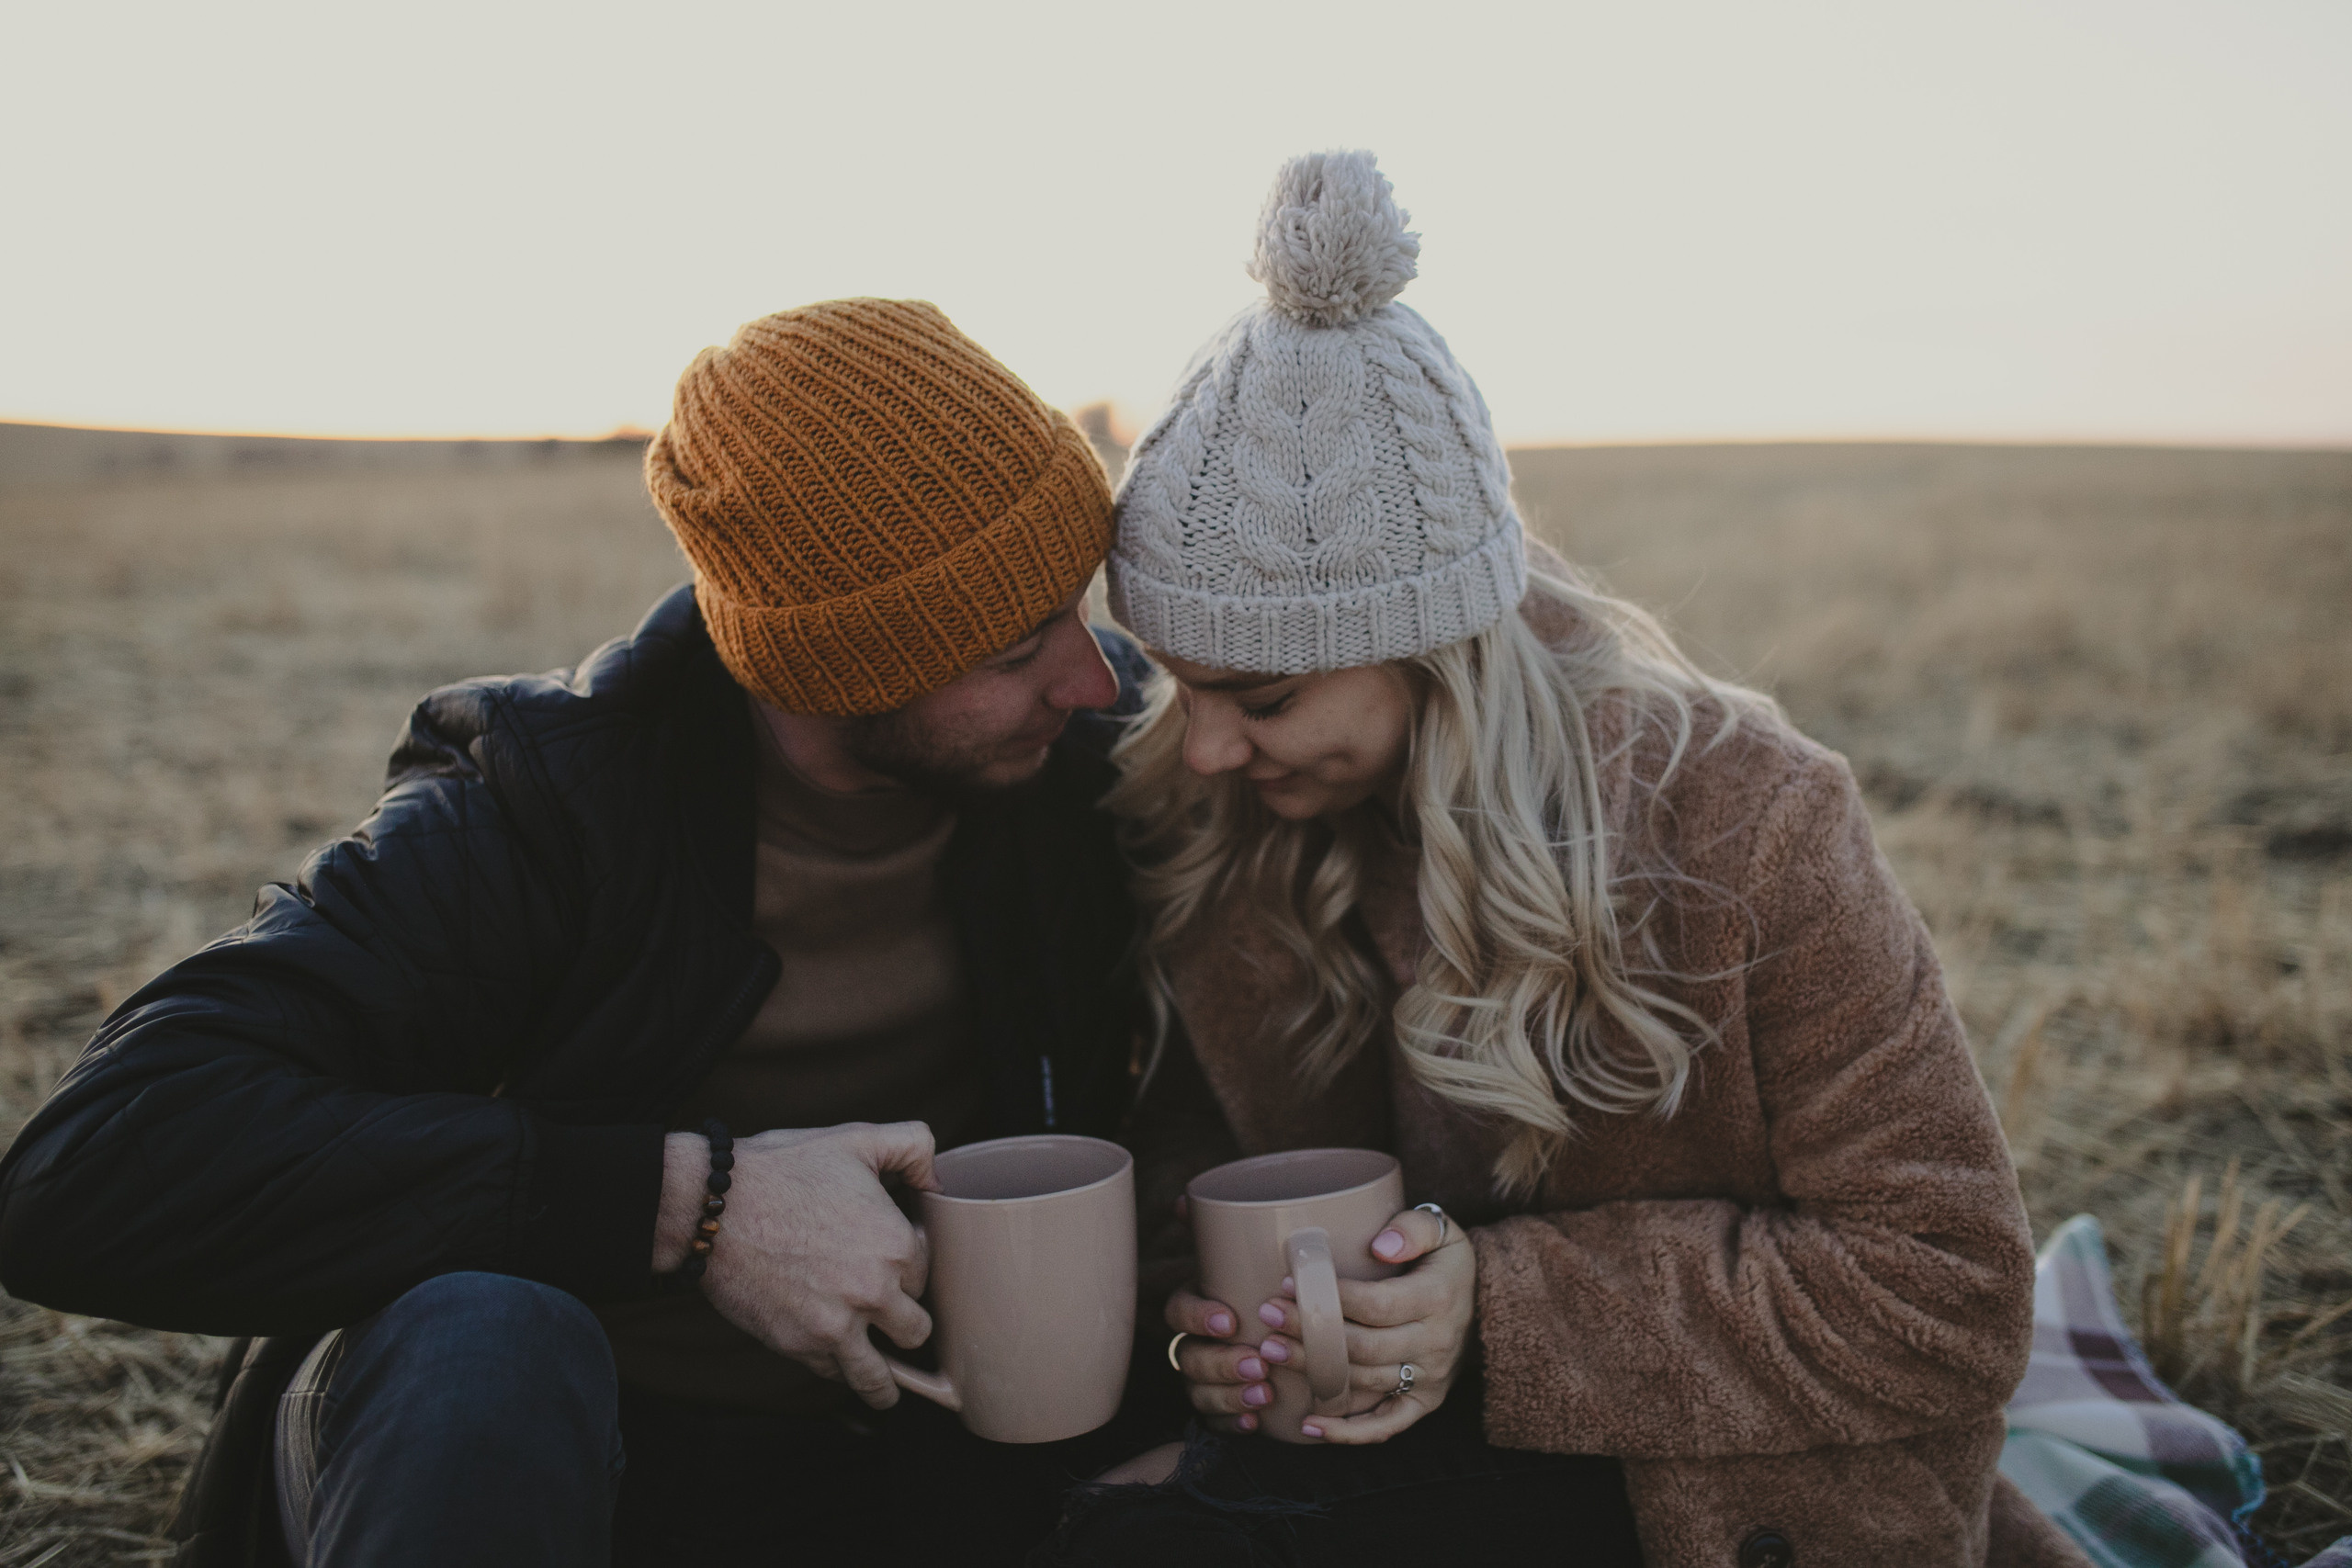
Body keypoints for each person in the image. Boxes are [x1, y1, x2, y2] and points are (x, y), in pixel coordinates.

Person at [0, 299, 1170, 1566]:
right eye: (1017, 645)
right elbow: (87, 1172)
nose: (1095, 677)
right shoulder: (537, 815)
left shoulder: (1100, 775)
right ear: (834, 665)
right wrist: (691, 1202)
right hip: (556, 1470)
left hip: (918, 1466)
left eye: (1077, 604)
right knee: (484, 1339)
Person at [1046, 152, 2093, 1567]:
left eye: (1263, 697)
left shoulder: (1750, 825)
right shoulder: (1226, 826)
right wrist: (1212, 1336)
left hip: (1719, 1486)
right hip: (1386, 1444)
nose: (1209, 748)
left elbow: (1946, 1291)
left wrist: (1503, 1309)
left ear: (1435, 658)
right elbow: (1197, 1162)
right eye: (1183, 686)